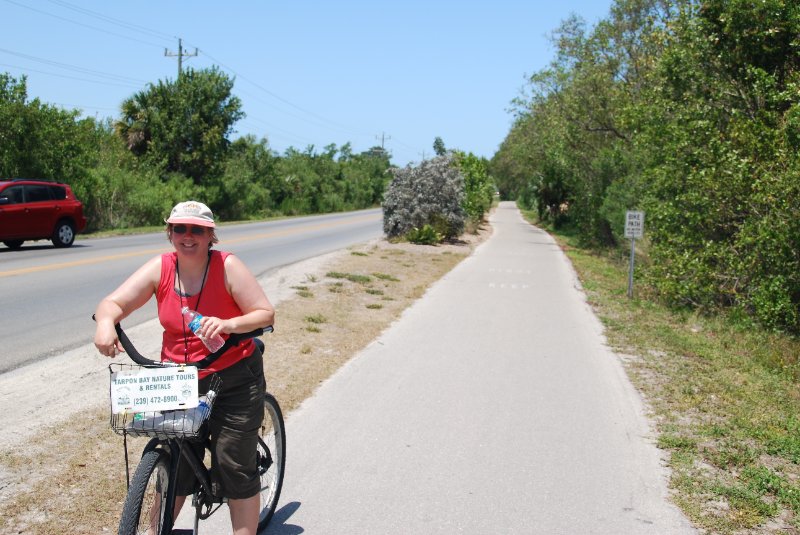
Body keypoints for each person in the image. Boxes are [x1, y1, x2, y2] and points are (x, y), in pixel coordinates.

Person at [94, 200, 275, 535]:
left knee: (233, 464)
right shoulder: (160, 268)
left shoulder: (227, 266)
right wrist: (106, 323)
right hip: (180, 379)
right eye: (180, 228)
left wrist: (229, 324)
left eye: (197, 230)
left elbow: (265, 314)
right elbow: (113, 303)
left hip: (233, 376)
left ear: (210, 236)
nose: (188, 236)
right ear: (170, 232)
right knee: (178, 458)